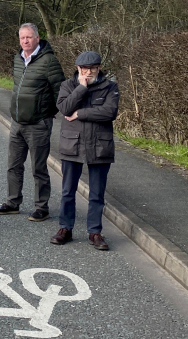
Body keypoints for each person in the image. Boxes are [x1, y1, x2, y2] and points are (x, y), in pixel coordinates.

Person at [0, 23, 65, 221]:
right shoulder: (18, 59)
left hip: (38, 124)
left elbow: (61, 91)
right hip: (17, 122)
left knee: (39, 167)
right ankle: (12, 202)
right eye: (22, 38)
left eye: (29, 37)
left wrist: (51, 112)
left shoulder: (49, 61)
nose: (25, 41)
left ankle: (42, 207)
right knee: (13, 165)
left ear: (37, 38)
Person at [50, 51, 119, 250]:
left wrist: (80, 113)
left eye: (93, 69)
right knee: (67, 191)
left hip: (99, 145)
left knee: (97, 194)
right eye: (84, 69)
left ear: (99, 68)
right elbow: (64, 108)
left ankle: (95, 232)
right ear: (78, 68)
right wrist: (81, 88)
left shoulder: (110, 87)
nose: (88, 72)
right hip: (73, 144)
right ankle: (65, 228)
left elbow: (109, 112)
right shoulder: (67, 85)